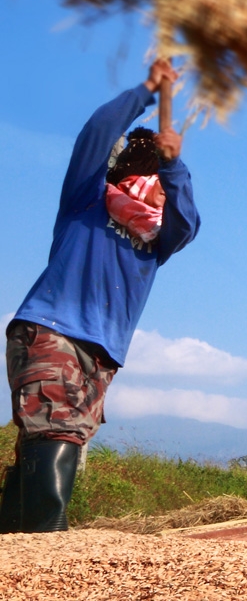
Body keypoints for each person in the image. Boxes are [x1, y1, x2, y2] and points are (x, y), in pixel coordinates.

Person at [1, 60, 200, 533]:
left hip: (103, 353)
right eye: (162, 186)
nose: (168, 199)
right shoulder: (87, 201)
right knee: (55, 432)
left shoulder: (160, 238)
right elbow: (96, 131)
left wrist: (174, 164)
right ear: (143, 182)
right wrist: (147, 89)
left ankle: (12, 545)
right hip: (52, 329)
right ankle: (50, 546)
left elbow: (189, 222)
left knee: (45, 443)